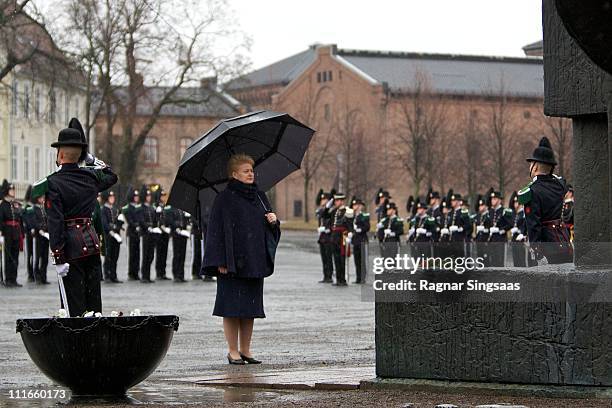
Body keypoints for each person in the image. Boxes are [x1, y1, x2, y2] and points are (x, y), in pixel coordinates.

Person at [202, 154, 280, 365]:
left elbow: (267, 228)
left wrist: (273, 222)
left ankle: (246, 349)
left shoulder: (261, 197)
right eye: (245, 171)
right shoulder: (224, 198)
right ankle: (232, 350)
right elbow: (215, 232)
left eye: (252, 170)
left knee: (249, 309)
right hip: (231, 263)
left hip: (254, 262)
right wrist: (221, 261)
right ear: (234, 174)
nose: (250, 174)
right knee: (231, 308)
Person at [46, 127, 118, 316]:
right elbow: (112, 176)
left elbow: (56, 222)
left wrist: (58, 256)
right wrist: (93, 161)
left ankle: (76, 343)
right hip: (91, 242)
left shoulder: (53, 183)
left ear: (60, 154)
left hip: (70, 248)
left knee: (74, 306)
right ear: (81, 156)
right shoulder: (90, 177)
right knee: (93, 301)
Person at [519, 136, 573, 264]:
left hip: (547, 249)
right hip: (564, 241)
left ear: (535, 167)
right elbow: (560, 181)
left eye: (531, 164)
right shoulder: (560, 185)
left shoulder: (532, 191)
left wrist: (537, 252)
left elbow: (533, 226)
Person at [326, 192, 353, 286]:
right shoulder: (334, 211)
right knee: (336, 258)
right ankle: (338, 279)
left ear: (341, 201)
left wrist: (350, 233)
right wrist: (327, 207)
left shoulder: (348, 211)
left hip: (343, 235)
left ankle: (342, 279)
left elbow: (350, 224)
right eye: (335, 201)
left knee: (342, 257)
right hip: (334, 236)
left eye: (337, 201)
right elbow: (325, 216)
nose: (335, 203)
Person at [0, 180, 23, 287]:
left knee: (15, 256)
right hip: (7, 232)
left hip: (16, 233)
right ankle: (8, 279)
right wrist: (1, 234)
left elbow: (19, 220)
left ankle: (14, 279)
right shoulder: (3, 205)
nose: (13, 191)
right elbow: (1, 220)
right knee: (8, 257)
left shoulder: (15, 204)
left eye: (13, 189)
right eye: (11, 189)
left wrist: (21, 233)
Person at [101, 191, 123, 283]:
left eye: (113, 197)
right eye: (110, 197)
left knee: (115, 256)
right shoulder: (104, 210)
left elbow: (117, 223)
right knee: (108, 256)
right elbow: (105, 224)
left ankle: (114, 275)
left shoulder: (115, 209)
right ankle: (107, 275)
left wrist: (120, 222)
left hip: (116, 236)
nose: (112, 199)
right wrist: (113, 231)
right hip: (109, 236)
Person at [486, 190, 512, 267]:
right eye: (492, 199)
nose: (492, 200)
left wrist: (500, 230)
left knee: (500, 261)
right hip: (492, 240)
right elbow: (488, 223)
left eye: (494, 199)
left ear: (499, 200)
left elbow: (510, 224)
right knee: (492, 261)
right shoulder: (490, 211)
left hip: (501, 240)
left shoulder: (504, 211)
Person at [165, 205, 190, 282]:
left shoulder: (183, 210)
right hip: (176, 234)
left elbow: (185, 221)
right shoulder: (171, 209)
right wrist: (177, 226)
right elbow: (170, 221)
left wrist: (187, 220)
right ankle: (176, 274)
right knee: (177, 254)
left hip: (183, 234)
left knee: (182, 255)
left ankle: (181, 274)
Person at [140, 188, 160, 283]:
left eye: (149, 196)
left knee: (151, 255)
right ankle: (144, 275)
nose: (148, 197)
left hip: (152, 234)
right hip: (146, 234)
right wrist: (148, 226)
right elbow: (141, 220)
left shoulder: (151, 208)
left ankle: (148, 276)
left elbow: (155, 220)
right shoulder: (141, 208)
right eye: (147, 196)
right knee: (146, 255)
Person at [122, 189, 142, 281]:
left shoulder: (138, 207)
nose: (137, 198)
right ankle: (131, 272)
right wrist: (136, 225)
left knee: (137, 253)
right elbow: (130, 221)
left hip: (138, 233)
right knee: (132, 253)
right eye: (135, 196)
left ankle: (136, 272)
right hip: (132, 232)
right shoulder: (127, 208)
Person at [30, 191, 50, 284]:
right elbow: (34, 221)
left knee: (45, 258)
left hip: (45, 236)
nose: (43, 199)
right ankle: (36, 276)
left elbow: (47, 220)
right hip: (38, 235)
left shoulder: (44, 208)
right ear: (37, 198)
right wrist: (40, 229)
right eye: (41, 197)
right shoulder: (34, 209)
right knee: (37, 257)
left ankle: (43, 277)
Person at [315, 190, 334, 283]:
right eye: (322, 199)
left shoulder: (330, 211)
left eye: (325, 199)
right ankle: (325, 275)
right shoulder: (320, 210)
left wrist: (327, 229)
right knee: (324, 258)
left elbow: (333, 223)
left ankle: (329, 276)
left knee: (328, 257)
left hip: (329, 237)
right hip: (322, 238)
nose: (322, 201)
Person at [350, 197, 370, 284]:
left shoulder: (364, 216)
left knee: (362, 260)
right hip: (355, 240)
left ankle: (362, 278)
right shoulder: (352, 216)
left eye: (357, 205)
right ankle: (358, 278)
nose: (355, 207)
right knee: (356, 260)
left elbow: (367, 227)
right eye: (354, 205)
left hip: (362, 239)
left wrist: (359, 229)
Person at [22, 186, 35, 282]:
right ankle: (30, 272)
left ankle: (33, 272)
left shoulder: (31, 206)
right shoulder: (27, 206)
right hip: (29, 233)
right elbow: (27, 220)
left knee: (33, 254)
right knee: (30, 253)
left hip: (34, 232)